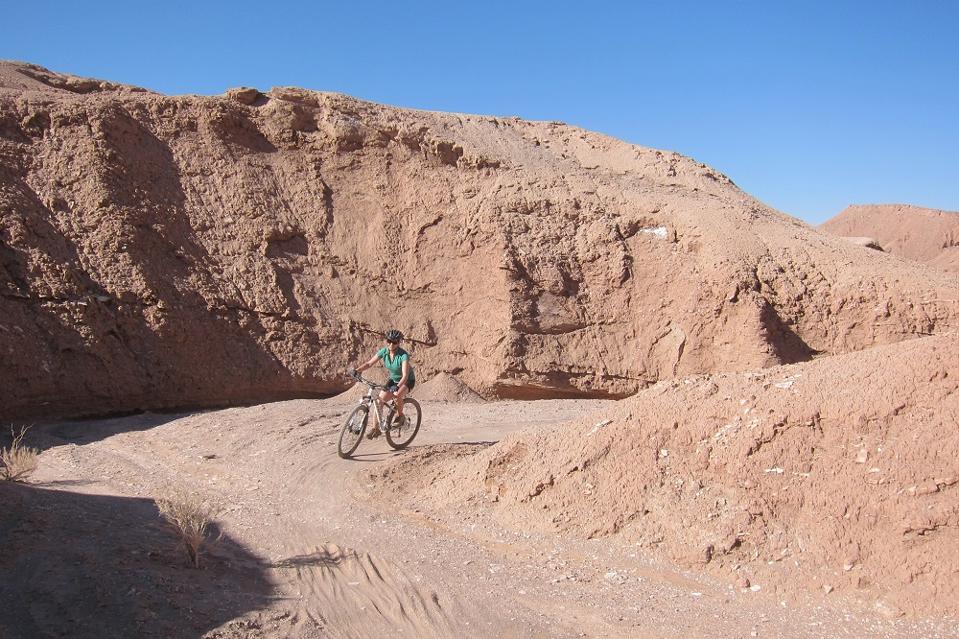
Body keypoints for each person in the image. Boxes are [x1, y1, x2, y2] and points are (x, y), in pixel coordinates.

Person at [350, 329, 416, 439]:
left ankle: (400, 417)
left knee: (397, 394)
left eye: (394, 342)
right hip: (393, 380)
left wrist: (397, 386)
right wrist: (357, 370)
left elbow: (404, 375)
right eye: (389, 341)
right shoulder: (384, 352)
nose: (391, 344)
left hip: (407, 381)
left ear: (399, 342)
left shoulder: (403, 355)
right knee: (380, 401)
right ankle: (376, 429)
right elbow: (369, 363)